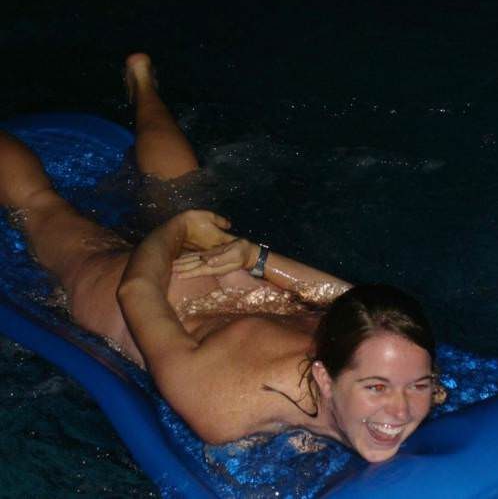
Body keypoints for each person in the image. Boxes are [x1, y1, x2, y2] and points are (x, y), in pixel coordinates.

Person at [0, 53, 440, 463]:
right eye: (376, 388)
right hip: (149, 298)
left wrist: (255, 257)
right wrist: (175, 232)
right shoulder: (226, 404)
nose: (401, 410)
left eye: (419, 386)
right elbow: (136, 292)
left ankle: (142, 82)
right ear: (325, 378)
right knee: (38, 208)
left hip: (233, 277)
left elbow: (362, 304)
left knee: (181, 194)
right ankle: (146, 100)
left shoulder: (397, 358)